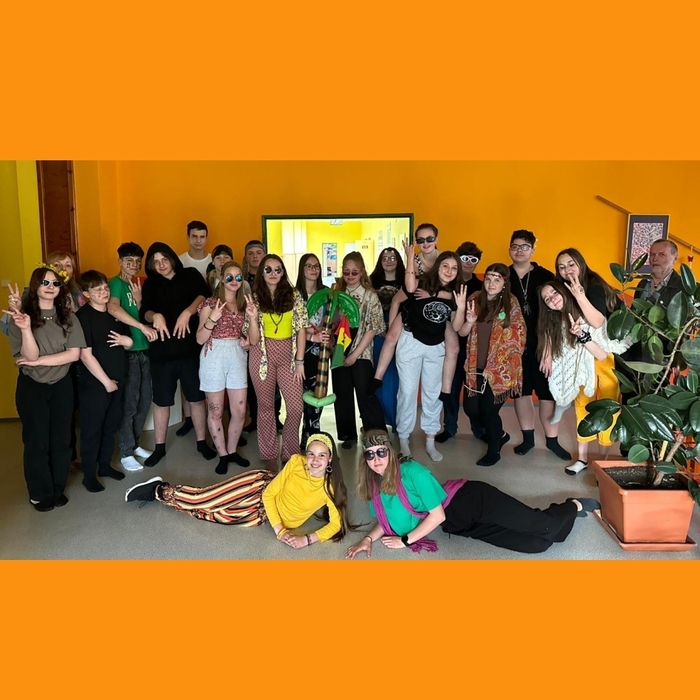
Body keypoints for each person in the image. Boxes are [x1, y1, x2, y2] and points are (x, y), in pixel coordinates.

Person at [344, 430, 601, 557]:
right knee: (538, 545)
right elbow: (385, 519)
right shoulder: (375, 486)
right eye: (370, 454)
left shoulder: (413, 472)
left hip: (471, 500)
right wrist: (367, 539)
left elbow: (437, 516)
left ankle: (573, 505)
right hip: (459, 524)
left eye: (381, 452)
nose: (376, 459)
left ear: (390, 452)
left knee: (546, 527)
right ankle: (557, 516)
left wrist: (406, 540)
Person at [125, 432, 353, 546]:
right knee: (204, 500)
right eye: (311, 454)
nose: (314, 460)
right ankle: (159, 490)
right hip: (259, 488)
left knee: (213, 515)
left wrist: (307, 540)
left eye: (321, 455)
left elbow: (335, 524)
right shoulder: (295, 462)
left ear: (330, 459)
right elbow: (270, 494)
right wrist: (280, 531)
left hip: (261, 515)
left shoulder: (330, 488)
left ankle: (168, 496)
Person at [4, 264, 86, 511]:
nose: (51, 287)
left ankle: (57, 488)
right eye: (45, 282)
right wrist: (25, 328)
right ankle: (40, 493)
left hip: (62, 385)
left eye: (56, 283)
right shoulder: (20, 318)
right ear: (35, 286)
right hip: (33, 387)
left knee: (61, 440)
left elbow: (73, 355)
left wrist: (39, 361)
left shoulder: (68, 317)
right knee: (37, 441)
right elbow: (28, 355)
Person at [537, 281, 632, 476]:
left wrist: (581, 334)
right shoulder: (555, 321)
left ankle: (603, 464)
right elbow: (554, 344)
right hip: (581, 372)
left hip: (604, 367)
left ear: (563, 291)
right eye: (546, 299)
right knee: (582, 410)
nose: (552, 299)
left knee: (607, 412)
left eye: (554, 293)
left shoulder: (584, 310)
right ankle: (581, 459)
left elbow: (602, 354)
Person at [139, 242, 216, 466]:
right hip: (162, 353)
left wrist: (188, 312)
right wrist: (155, 316)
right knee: (161, 402)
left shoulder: (190, 274)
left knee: (196, 399)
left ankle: (201, 442)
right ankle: (159, 447)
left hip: (190, 350)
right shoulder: (151, 284)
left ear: (172, 258)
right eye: (155, 262)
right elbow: (145, 311)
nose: (161, 264)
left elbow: (204, 296)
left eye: (164, 259)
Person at [554, 248, 624, 474]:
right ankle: (582, 459)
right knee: (582, 403)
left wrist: (580, 296)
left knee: (608, 404)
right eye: (561, 267)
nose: (567, 270)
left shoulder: (594, 286)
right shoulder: (562, 290)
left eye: (571, 264)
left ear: (581, 264)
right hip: (581, 354)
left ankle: (604, 460)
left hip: (605, 353)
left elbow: (597, 321)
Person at [453, 263, 526, 466]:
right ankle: (500, 434)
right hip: (475, 366)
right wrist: (469, 320)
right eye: (488, 278)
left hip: (500, 369)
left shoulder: (511, 303)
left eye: (497, 279)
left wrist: (500, 365)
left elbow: (519, 337)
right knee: (471, 409)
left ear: (504, 283)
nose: (491, 283)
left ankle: (494, 450)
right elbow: (462, 332)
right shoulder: (475, 299)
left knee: (488, 411)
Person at [394, 252, 463, 462]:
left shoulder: (457, 292)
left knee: (432, 394)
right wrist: (409, 257)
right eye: (445, 266)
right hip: (411, 342)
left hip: (436, 346)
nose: (449, 271)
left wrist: (459, 306)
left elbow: (457, 327)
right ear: (438, 266)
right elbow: (410, 288)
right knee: (407, 392)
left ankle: (430, 440)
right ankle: (404, 438)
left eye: (454, 268)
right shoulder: (422, 281)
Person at [508, 230, 570, 460]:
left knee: (547, 394)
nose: (519, 251)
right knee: (521, 393)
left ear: (533, 250)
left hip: (543, 343)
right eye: (515, 246)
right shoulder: (503, 275)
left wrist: (549, 350)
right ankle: (528, 439)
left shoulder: (545, 275)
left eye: (525, 247)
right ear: (510, 249)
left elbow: (556, 313)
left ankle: (552, 440)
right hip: (514, 345)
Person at [196, 261, 259, 475]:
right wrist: (212, 319)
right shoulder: (210, 304)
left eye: (238, 277)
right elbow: (199, 338)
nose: (234, 281)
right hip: (213, 355)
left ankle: (232, 451)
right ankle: (222, 454)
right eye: (229, 277)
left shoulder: (244, 304)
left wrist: (253, 318)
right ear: (222, 279)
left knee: (239, 410)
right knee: (215, 410)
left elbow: (253, 340)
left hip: (237, 355)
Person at [76, 270, 133, 492]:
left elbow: (127, 342)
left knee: (110, 427)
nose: (104, 292)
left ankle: (105, 466)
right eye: (97, 289)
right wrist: (106, 382)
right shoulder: (83, 317)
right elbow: (85, 355)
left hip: (118, 380)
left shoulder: (113, 313)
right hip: (95, 384)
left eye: (105, 287)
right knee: (92, 430)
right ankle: (89, 475)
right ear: (86, 294)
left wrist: (127, 341)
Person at [249, 254, 308, 470]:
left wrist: (300, 361)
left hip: (288, 355)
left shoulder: (294, 296)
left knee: (295, 407)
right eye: (268, 269)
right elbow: (253, 340)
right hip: (262, 354)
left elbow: (301, 329)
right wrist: (253, 317)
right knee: (266, 407)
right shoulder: (255, 298)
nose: (273, 273)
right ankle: (269, 454)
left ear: (283, 272)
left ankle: (290, 452)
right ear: (261, 273)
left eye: (277, 269)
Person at [107, 242, 158, 472]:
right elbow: (113, 308)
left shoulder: (137, 284)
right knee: (129, 404)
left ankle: (134, 444)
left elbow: (140, 311)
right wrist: (140, 326)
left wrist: (139, 301)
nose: (134, 265)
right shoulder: (115, 283)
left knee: (144, 401)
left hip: (144, 350)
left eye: (138, 261)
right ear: (120, 261)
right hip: (128, 354)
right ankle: (126, 452)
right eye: (129, 260)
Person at [332, 252, 387, 449]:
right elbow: (330, 321)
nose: (350, 275)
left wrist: (355, 355)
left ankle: (376, 433)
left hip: (361, 350)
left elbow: (373, 327)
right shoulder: (337, 292)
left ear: (362, 271)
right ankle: (348, 435)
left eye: (354, 272)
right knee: (342, 393)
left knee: (365, 393)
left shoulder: (370, 295)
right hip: (339, 348)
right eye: (346, 271)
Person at [437, 241, 484, 443]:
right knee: (451, 388)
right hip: (449, 345)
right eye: (464, 258)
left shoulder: (482, 287)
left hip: (475, 346)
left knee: (474, 390)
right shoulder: (448, 283)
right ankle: (450, 428)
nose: (468, 263)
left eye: (473, 259)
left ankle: (479, 429)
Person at [295, 253, 332, 447]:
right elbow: (292, 325)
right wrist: (311, 335)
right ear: (302, 269)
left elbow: (335, 318)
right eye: (309, 266)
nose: (313, 269)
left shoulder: (327, 293)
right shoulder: (294, 295)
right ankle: (304, 434)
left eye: (316, 266)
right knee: (302, 394)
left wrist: (326, 333)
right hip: (301, 349)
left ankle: (313, 433)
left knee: (319, 392)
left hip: (322, 350)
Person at [368, 247, 405, 432]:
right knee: (376, 377)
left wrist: (393, 327)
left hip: (400, 333)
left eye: (392, 257)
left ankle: (398, 422)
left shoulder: (406, 280)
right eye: (385, 258)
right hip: (376, 335)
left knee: (394, 381)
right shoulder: (370, 281)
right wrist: (380, 327)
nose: (389, 261)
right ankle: (377, 422)